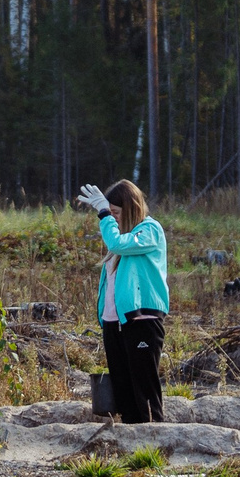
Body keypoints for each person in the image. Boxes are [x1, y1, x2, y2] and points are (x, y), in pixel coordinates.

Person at [76, 179, 167, 423]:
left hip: (142, 318)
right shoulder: (119, 236)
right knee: (122, 384)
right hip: (114, 321)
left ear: (132, 208)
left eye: (116, 213)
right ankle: (131, 440)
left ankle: (153, 437)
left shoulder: (150, 230)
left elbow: (117, 243)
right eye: (110, 212)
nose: (112, 218)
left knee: (143, 383)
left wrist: (103, 213)